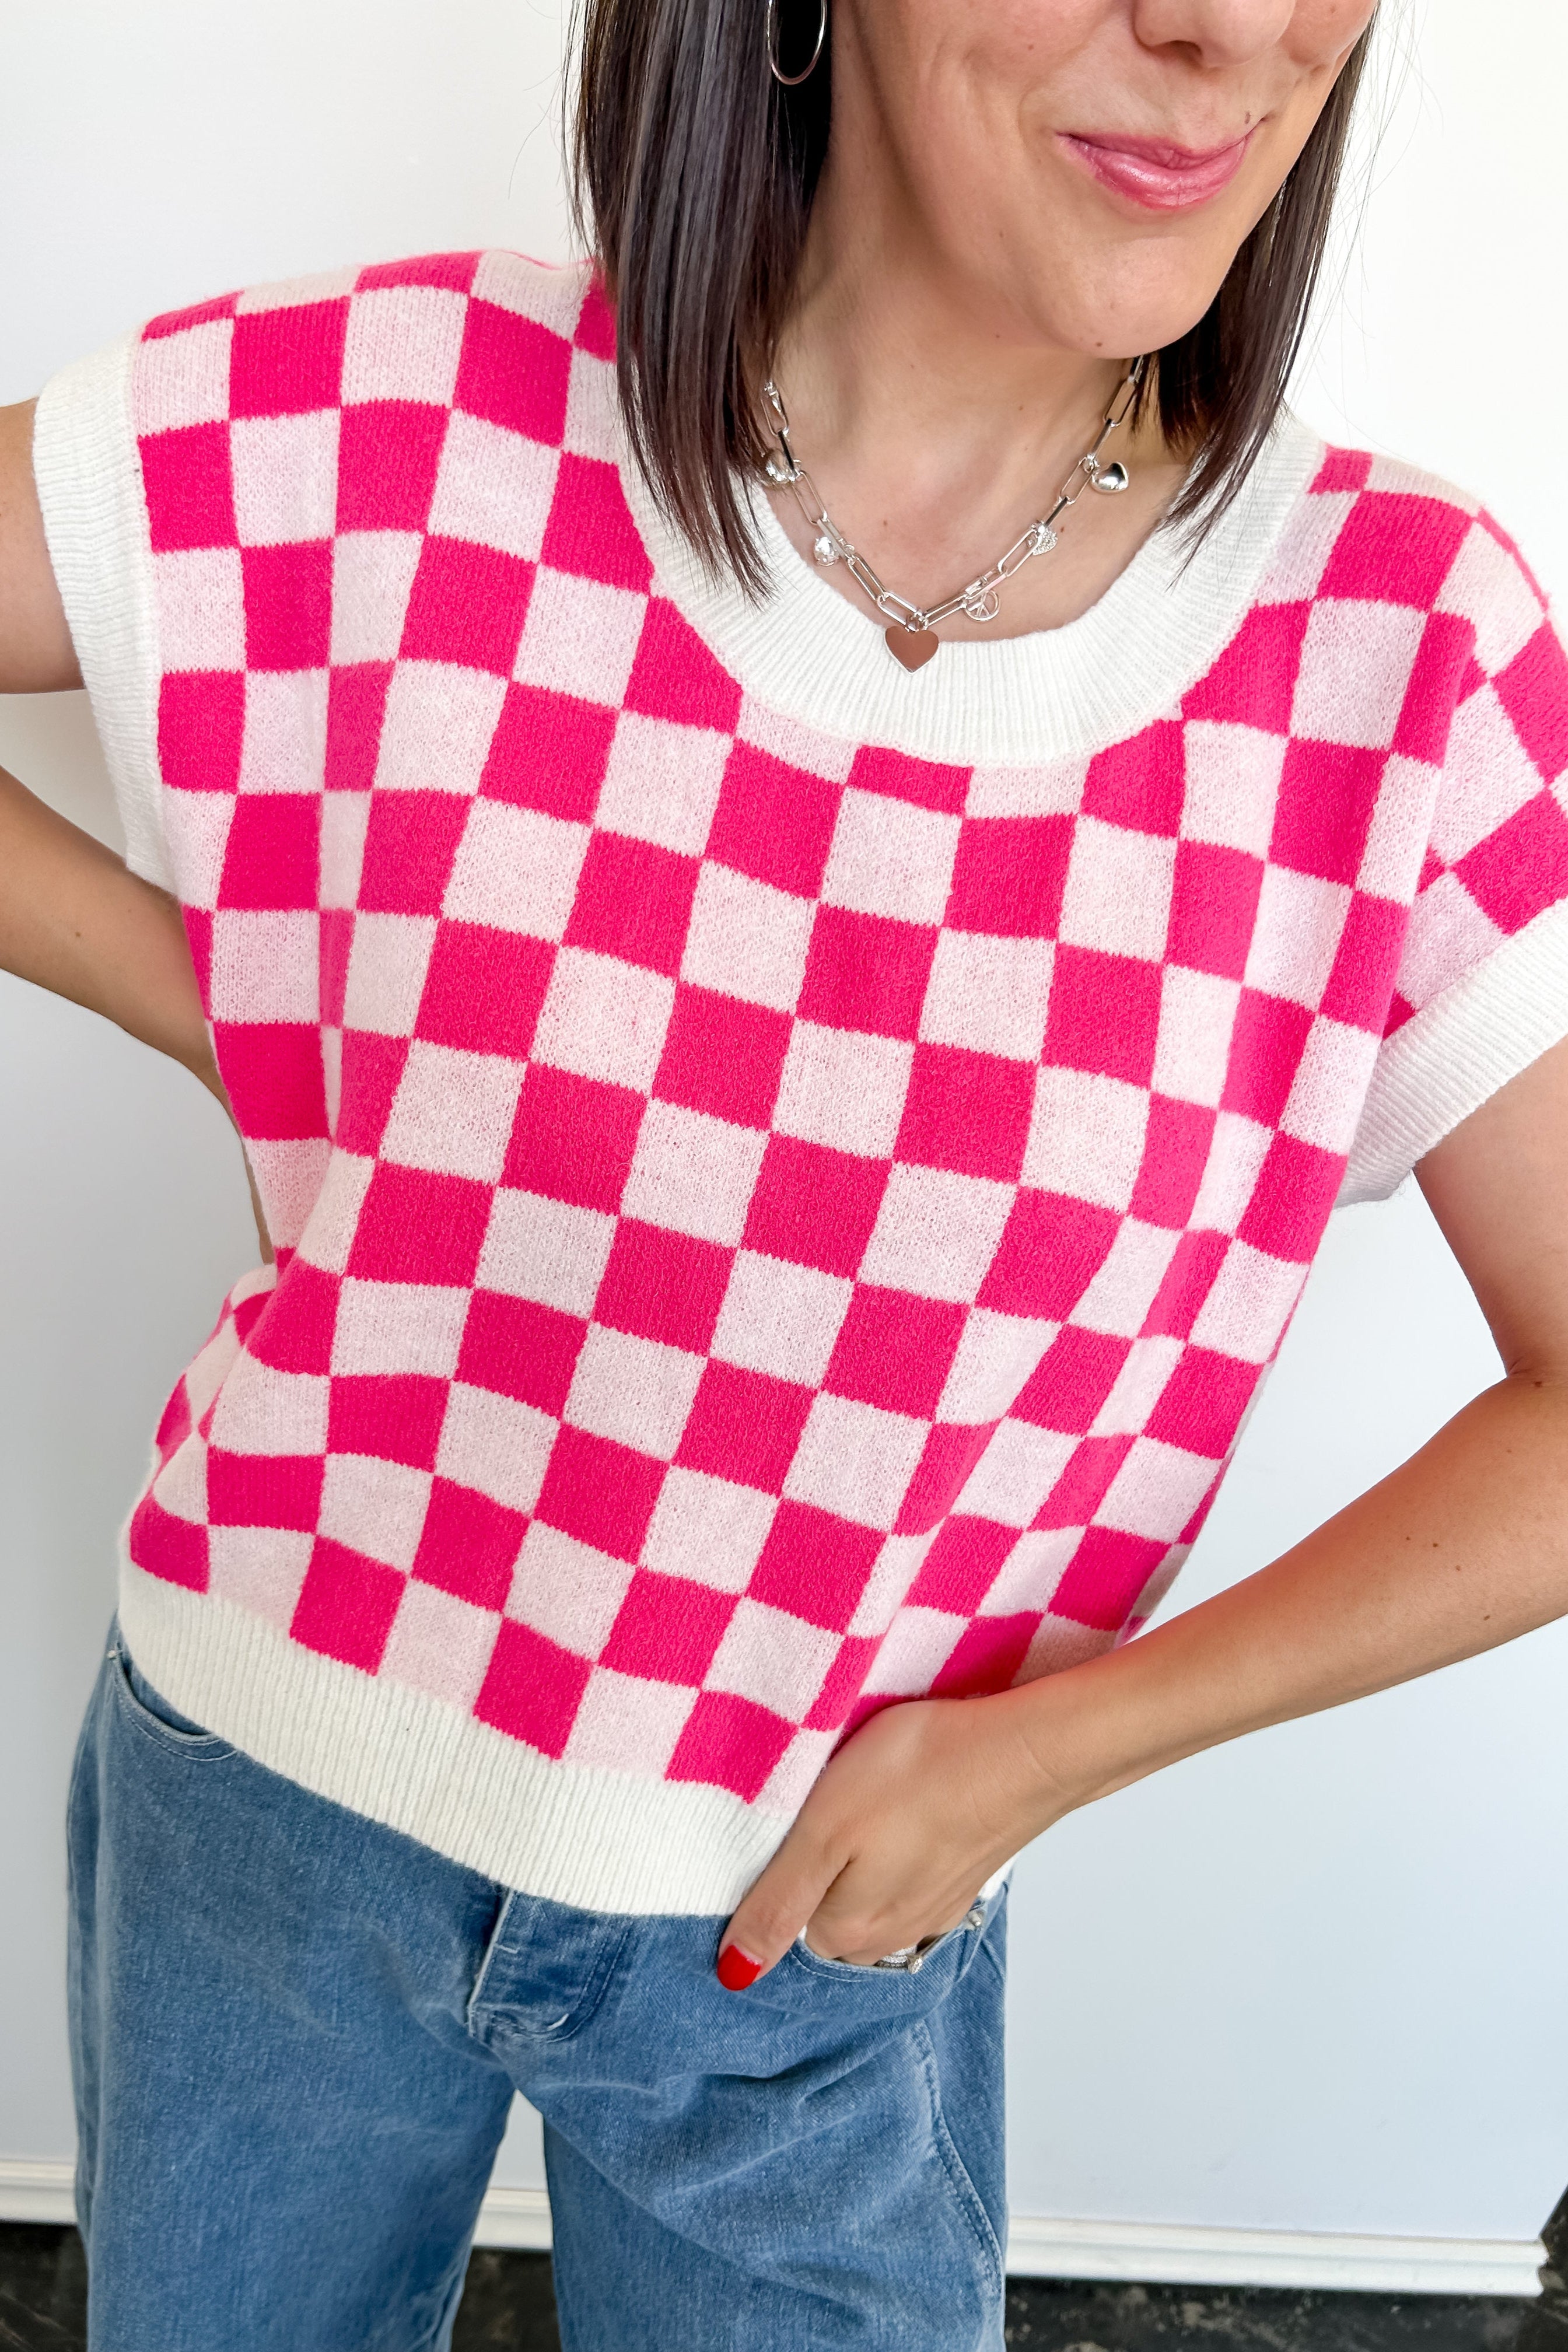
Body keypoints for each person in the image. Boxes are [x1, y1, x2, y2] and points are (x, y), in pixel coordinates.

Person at [4, 0, 1567, 2343]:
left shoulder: (1399, 664)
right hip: (272, 1800)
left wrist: (1048, 1752)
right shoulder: (394, 424)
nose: (1231, 26)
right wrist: (224, 998)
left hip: (823, 1930)